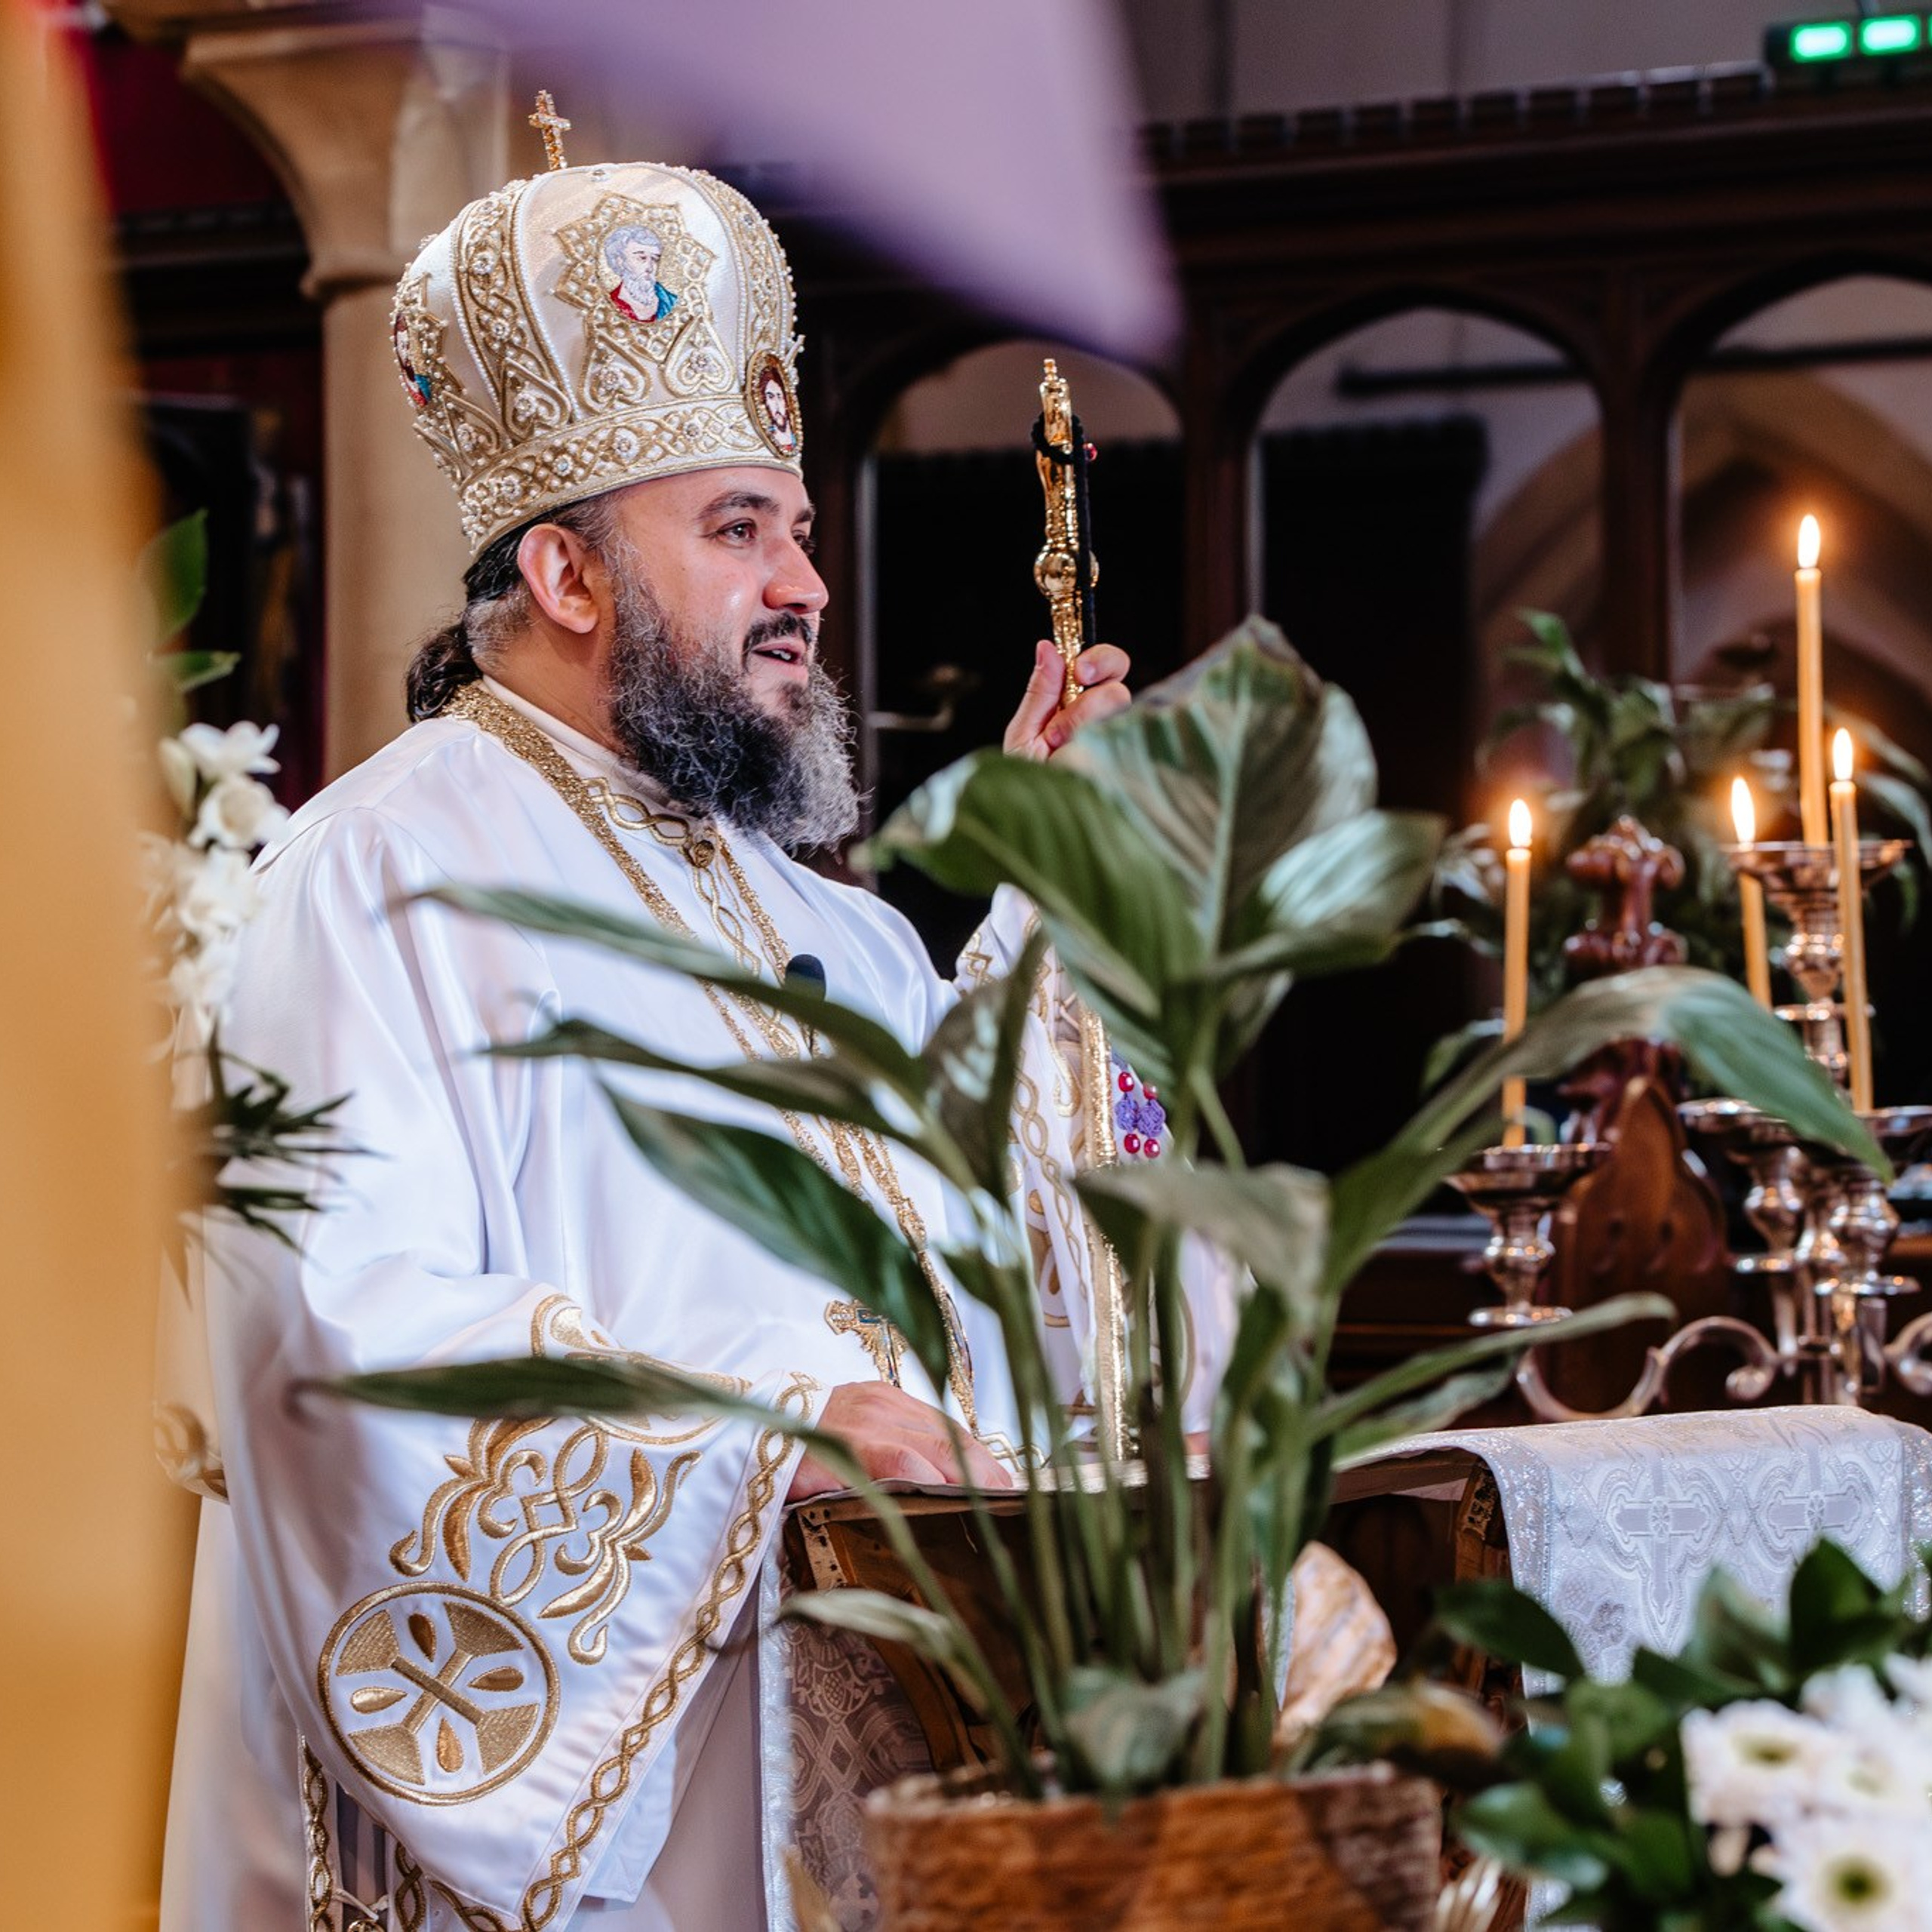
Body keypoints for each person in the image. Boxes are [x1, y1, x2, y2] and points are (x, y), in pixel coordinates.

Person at [158, 152, 1232, 1932]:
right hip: (600, 1810)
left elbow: (1003, 1245)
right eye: (737, 528)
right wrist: (769, 1431)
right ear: (568, 572)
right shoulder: (372, 878)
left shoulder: (833, 923)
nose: (802, 580)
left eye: (795, 527)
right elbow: (332, 1338)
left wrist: (1058, 909)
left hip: (871, 1750)